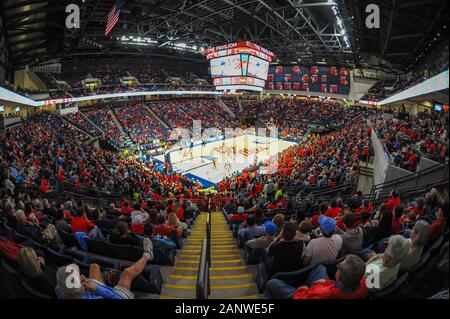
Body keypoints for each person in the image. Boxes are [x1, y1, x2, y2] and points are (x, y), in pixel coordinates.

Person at [55, 238, 153, 299]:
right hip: (112, 296)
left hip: (89, 291)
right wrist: (97, 288)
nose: (80, 276)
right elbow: (117, 297)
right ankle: (147, 255)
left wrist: (85, 283)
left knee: (94, 266)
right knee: (127, 273)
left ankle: (107, 281)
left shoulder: (59, 289)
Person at [265, 254, 368, 299]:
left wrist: (303, 290)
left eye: (339, 266)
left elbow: (301, 296)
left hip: (313, 292)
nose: (338, 266)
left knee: (272, 283)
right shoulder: (364, 283)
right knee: (320, 268)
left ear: (340, 277)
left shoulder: (322, 294)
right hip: (328, 287)